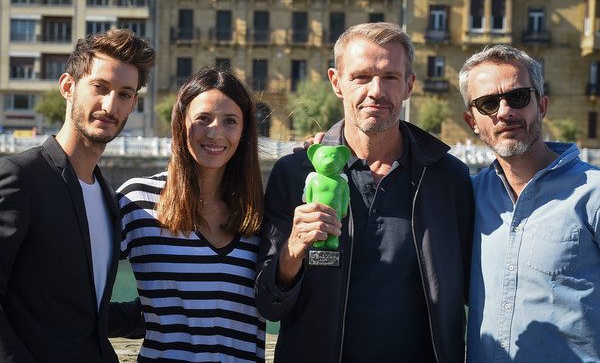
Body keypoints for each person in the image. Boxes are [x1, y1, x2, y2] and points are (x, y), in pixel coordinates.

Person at [255, 22, 474, 362]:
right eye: (361, 77)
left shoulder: (448, 178)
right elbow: (269, 303)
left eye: (390, 77)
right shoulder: (295, 173)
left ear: (409, 85)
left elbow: (482, 290)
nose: (376, 91)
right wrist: (294, 248)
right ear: (336, 82)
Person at [0, 28, 156, 362]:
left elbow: (84, 311)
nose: (110, 104)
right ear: (68, 87)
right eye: (100, 87)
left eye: (124, 94)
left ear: (133, 104)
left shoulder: (109, 199)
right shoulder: (20, 178)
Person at [460, 44, 600, 362]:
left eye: (518, 96)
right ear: (472, 120)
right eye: (488, 103)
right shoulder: (468, 196)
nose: (505, 111)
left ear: (542, 105)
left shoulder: (593, 195)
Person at [117, 67, 266, 362]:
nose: (216, 132)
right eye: (203, 119)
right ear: (180, 122)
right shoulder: (138, 201)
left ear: (244, 131)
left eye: (230, 121)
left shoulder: (262, 211)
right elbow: (79, 285)